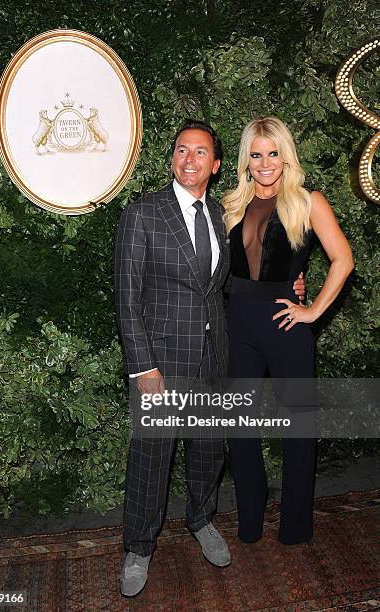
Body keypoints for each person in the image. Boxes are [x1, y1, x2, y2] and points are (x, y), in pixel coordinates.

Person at [114, 119, 305, 597]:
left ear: (216, 165)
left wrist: (294, 286)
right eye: (182, 150)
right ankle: (138, 546)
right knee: (151, 458)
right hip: (161, 360)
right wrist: (143, 365)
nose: (190, 159)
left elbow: (247, 272)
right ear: (172, 158)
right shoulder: (142, 215)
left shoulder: (226, 214)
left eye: (201, 153)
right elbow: (126, 297)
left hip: (216, 355)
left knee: (206, 450)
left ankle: (200, 520)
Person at [222, 117, 354, 545]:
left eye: (273, 153)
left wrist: (312, 310)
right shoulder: (231, 205)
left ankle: (296, 526)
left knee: (298, 428)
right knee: (239, 428)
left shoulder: (308, 201)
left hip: (285, 324)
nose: (265, 163)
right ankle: (250, 521)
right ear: (246, 160)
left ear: (286, 155)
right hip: (237, 322)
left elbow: (343, 260)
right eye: (256, 154)